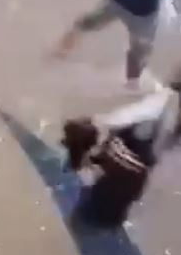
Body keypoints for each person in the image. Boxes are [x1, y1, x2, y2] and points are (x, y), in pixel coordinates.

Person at [61, 71, 181, 229]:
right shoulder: (166, 107)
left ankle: (92, 210)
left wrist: (98, 122)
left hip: (126, 165)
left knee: (97, 209)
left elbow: (127, 118)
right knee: (109, 208)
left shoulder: (162, 104)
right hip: (133, 168)